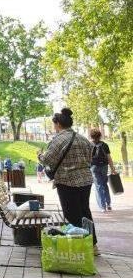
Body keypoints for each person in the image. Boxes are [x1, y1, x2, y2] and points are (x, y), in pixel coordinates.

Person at [38, 108, 99, 254]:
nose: (54, 127)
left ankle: (80, 247)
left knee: (72, 214)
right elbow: (91, 155)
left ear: (58, 124)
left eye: (54, 124)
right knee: (85, 212)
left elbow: (47, 160)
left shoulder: (58, 139)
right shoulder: (82, 138)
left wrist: (39, 155)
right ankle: (92, 245)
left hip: (67, 181)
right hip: (86, 180)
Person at [89, 129, 117, 212]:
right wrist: (113, 169)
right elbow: (109, 158)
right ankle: (108, 204)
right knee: (104, 184)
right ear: (100, 136)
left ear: (91, 136)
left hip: (94, 167)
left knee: (98, 186)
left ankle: (102, 207)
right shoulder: (104, 145)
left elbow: (87, 158)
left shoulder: (89, 145)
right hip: (104, 166)